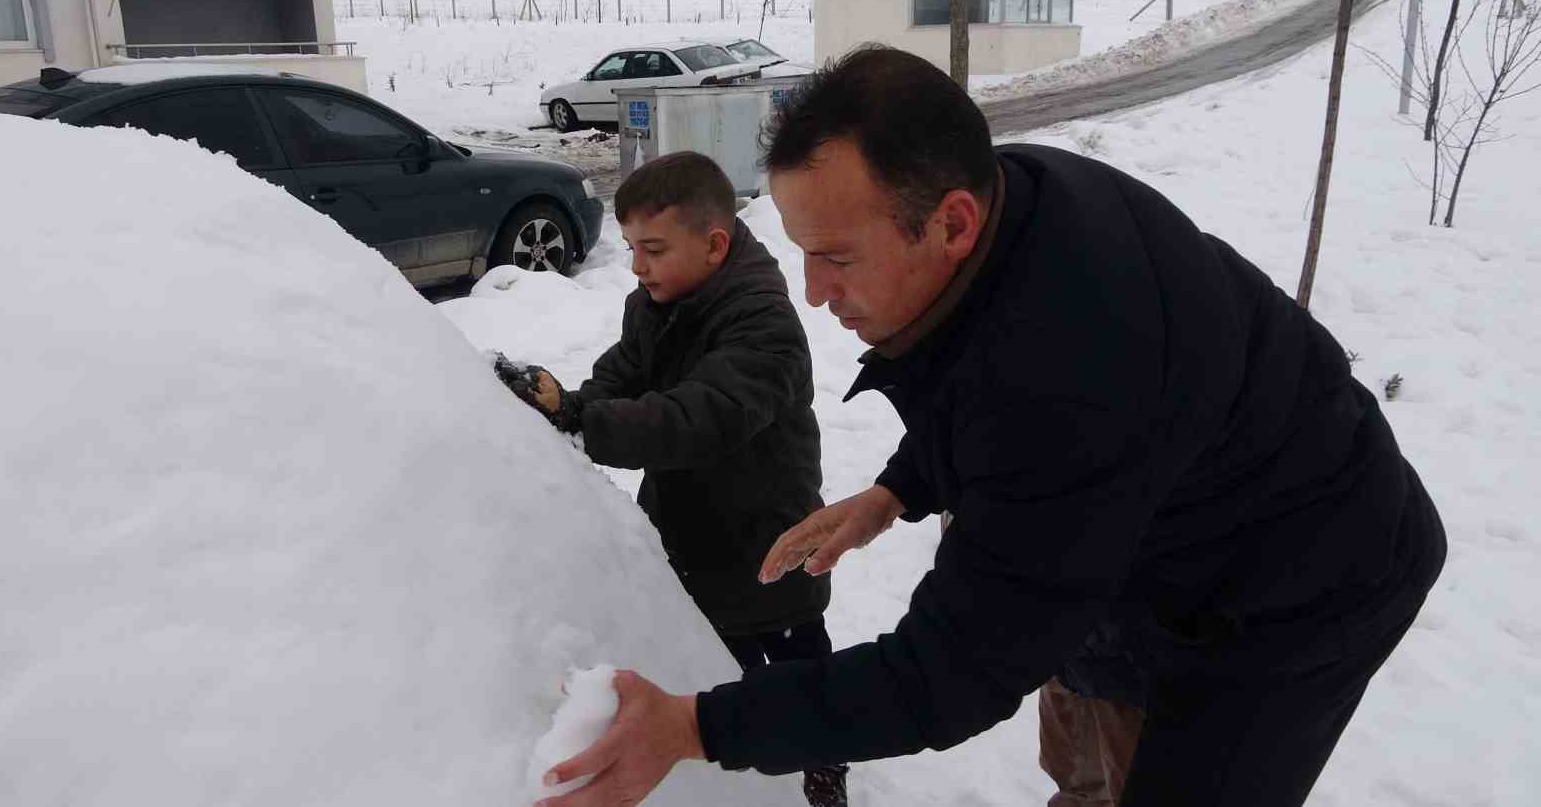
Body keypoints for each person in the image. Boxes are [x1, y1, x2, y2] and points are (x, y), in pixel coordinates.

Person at [528, 46, 1448, 807]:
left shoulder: (1072, 373)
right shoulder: (1015, 204)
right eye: (806, 254)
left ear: (953, 221)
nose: (815, 292)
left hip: (1307, 577)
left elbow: (949, 675)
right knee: (1088, 724)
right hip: (1154, 518)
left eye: (837, 258)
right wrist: (903, 485)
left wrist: (696, 726)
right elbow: (975, 378)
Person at [498, 150, 849, 807]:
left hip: (769, 545)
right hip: (689, 531)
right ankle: (724, 781)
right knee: (713, 674)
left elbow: (698, 419)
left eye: (653, 249)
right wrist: (564, 407)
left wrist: (583, 419)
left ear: (715, 244)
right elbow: (623, 375)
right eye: (630, 247)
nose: (636, 266)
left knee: (801, 679)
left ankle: (825, 768)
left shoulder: (761, 324)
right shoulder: (660, 299)